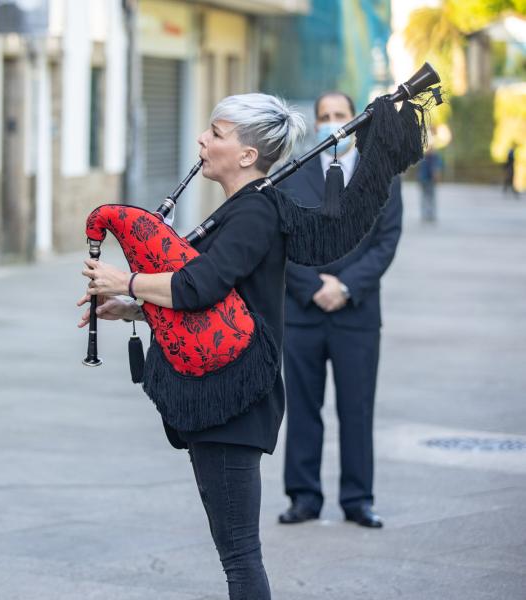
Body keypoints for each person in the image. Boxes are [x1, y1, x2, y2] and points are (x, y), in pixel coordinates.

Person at [78, 93, 307, 599]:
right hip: (225, 398)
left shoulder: (256, 212)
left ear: (247, 154)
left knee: (240, 557)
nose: (202, 140)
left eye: (217, 133)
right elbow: (218, 303)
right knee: (237, 552)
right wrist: (134, 309)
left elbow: (197, 285)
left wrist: (126, 280)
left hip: (236, 402)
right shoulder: (240, 209)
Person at [277, 91, 402, 529]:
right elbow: (282, 242)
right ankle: (304, 497)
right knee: (303, 408)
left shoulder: (380, 174)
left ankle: (357, 499)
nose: (333, 123)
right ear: (315, 125)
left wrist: (345, 286)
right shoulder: (291, 177)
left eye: (340, 116)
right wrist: (314, 287)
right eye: (325, 117)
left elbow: (386, 242)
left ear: (357, 120)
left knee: (356, 408)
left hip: (357, 314)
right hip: (303, 311)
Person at [418, 145, 442, 223]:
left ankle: (430, 214)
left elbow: (438, 167)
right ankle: (426, 214)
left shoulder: (432, 157)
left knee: (429, 198)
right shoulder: (427, 157)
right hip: (425, 180)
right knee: (426, 198)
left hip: (429, 180)